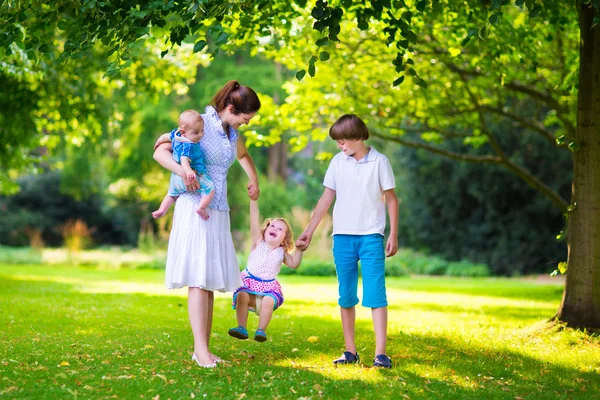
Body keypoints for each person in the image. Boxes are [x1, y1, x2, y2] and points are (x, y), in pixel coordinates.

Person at [153, 80, 261, 368]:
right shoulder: (199, 123)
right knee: (198, 280)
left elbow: (243, 155)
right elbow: (160, 150)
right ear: (230, 108)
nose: (246, 123)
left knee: (209, 280)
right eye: (245, 117)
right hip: (194, 206)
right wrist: (184, 172)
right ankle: (200, 351)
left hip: (218, 209)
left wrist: (254, 179)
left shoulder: (231, 131)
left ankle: (205, 350)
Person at [295, 114, 398, 369]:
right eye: (337, 142)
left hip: (372, 236)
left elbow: (392, 199)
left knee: (376, 294)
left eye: (342, 141)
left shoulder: (379, 162)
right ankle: (350, 351)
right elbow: (325, 199)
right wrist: (309, 230)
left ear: (357, 137)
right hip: (342, 237)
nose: (339, 146)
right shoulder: (338, 163)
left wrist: (393, 233)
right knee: (346, 295)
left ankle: (381, 354)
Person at [228, 199, 304, 342]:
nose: (274, 228)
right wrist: (253, 201)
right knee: (241, 295)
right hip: (249, 285)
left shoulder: (281, 252)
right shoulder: (258, 242)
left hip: (268, 289)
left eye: (280, 229)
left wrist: (299, 250)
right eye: (272, 225)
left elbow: (294, 264)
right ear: (266, 229)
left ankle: (261, 330)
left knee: (269, 301)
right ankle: (241, 328)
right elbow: (254, 219)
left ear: (284, 240)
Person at [152, 110, 214, 220]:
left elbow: (165, 136)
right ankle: (201, 208)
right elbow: (184, 159)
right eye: (196, 132)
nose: (200, 135)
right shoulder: (189, 145)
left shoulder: (176, 135)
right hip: (193, 176)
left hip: (176, 179)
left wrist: (158, 142)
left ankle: (162, 210)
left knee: (171, 194)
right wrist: (188, 171)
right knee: (210, 189)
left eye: (202, 130)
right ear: (184, 132)